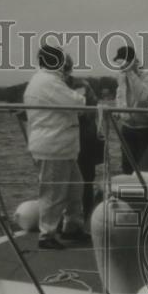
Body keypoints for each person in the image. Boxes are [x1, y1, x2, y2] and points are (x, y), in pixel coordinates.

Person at [25, 44, 88, 249]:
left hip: (62, 147)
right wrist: (82, 91)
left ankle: (73, 227)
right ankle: (47, 235)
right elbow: (77, 102)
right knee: (53, 193)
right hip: (53, 147)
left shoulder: (47, 80)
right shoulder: (48, 82)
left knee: (74, 188)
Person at [63, 54, 104, 220]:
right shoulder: (51, 86)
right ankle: (66, 219)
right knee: (63, 181)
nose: (63, 71)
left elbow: (93, 108)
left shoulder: (82, 85)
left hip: (85, 139)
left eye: (65, 67)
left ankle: (87, 216)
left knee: (87, 179)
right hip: (64, 141)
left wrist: (79, 113)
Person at [113, 45, 148, 174]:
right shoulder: (121, 75)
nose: (120, 67)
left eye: (123, 63)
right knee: (127, 167)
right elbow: (120, 93)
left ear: (131, 62)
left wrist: (130, 72)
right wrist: (119, 111)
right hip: (127, 128)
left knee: (145, 169)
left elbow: (142, 96)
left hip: (146, 129)